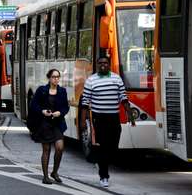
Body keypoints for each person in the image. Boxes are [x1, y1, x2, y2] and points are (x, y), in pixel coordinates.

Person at [81, 54, 136, 188]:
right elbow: (84, 102)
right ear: (97, 65)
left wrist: (130, 115)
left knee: (113, 147)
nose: (103, 65)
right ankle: (104, 176)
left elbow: (123, 98)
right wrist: (83, 121)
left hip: (114, 117)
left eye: (105, 63)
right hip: (99, 118)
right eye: (100, 63)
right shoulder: (91, 80)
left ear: (109, 65)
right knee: (103, 147)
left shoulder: (116, 78)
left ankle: (101, 161)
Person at [29, 69, 69, 184]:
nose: (56, 79)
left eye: (58, 77)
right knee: (46, 149)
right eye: (54, 77)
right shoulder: (42, 90)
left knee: (60, 147)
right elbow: (33, 105)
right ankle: (45, 176)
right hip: (44, 123)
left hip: (58, 123)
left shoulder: (62, 91)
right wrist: (42, 111)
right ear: (49, 78)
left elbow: (66, 107)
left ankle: (55, 172)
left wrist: (60, 113)